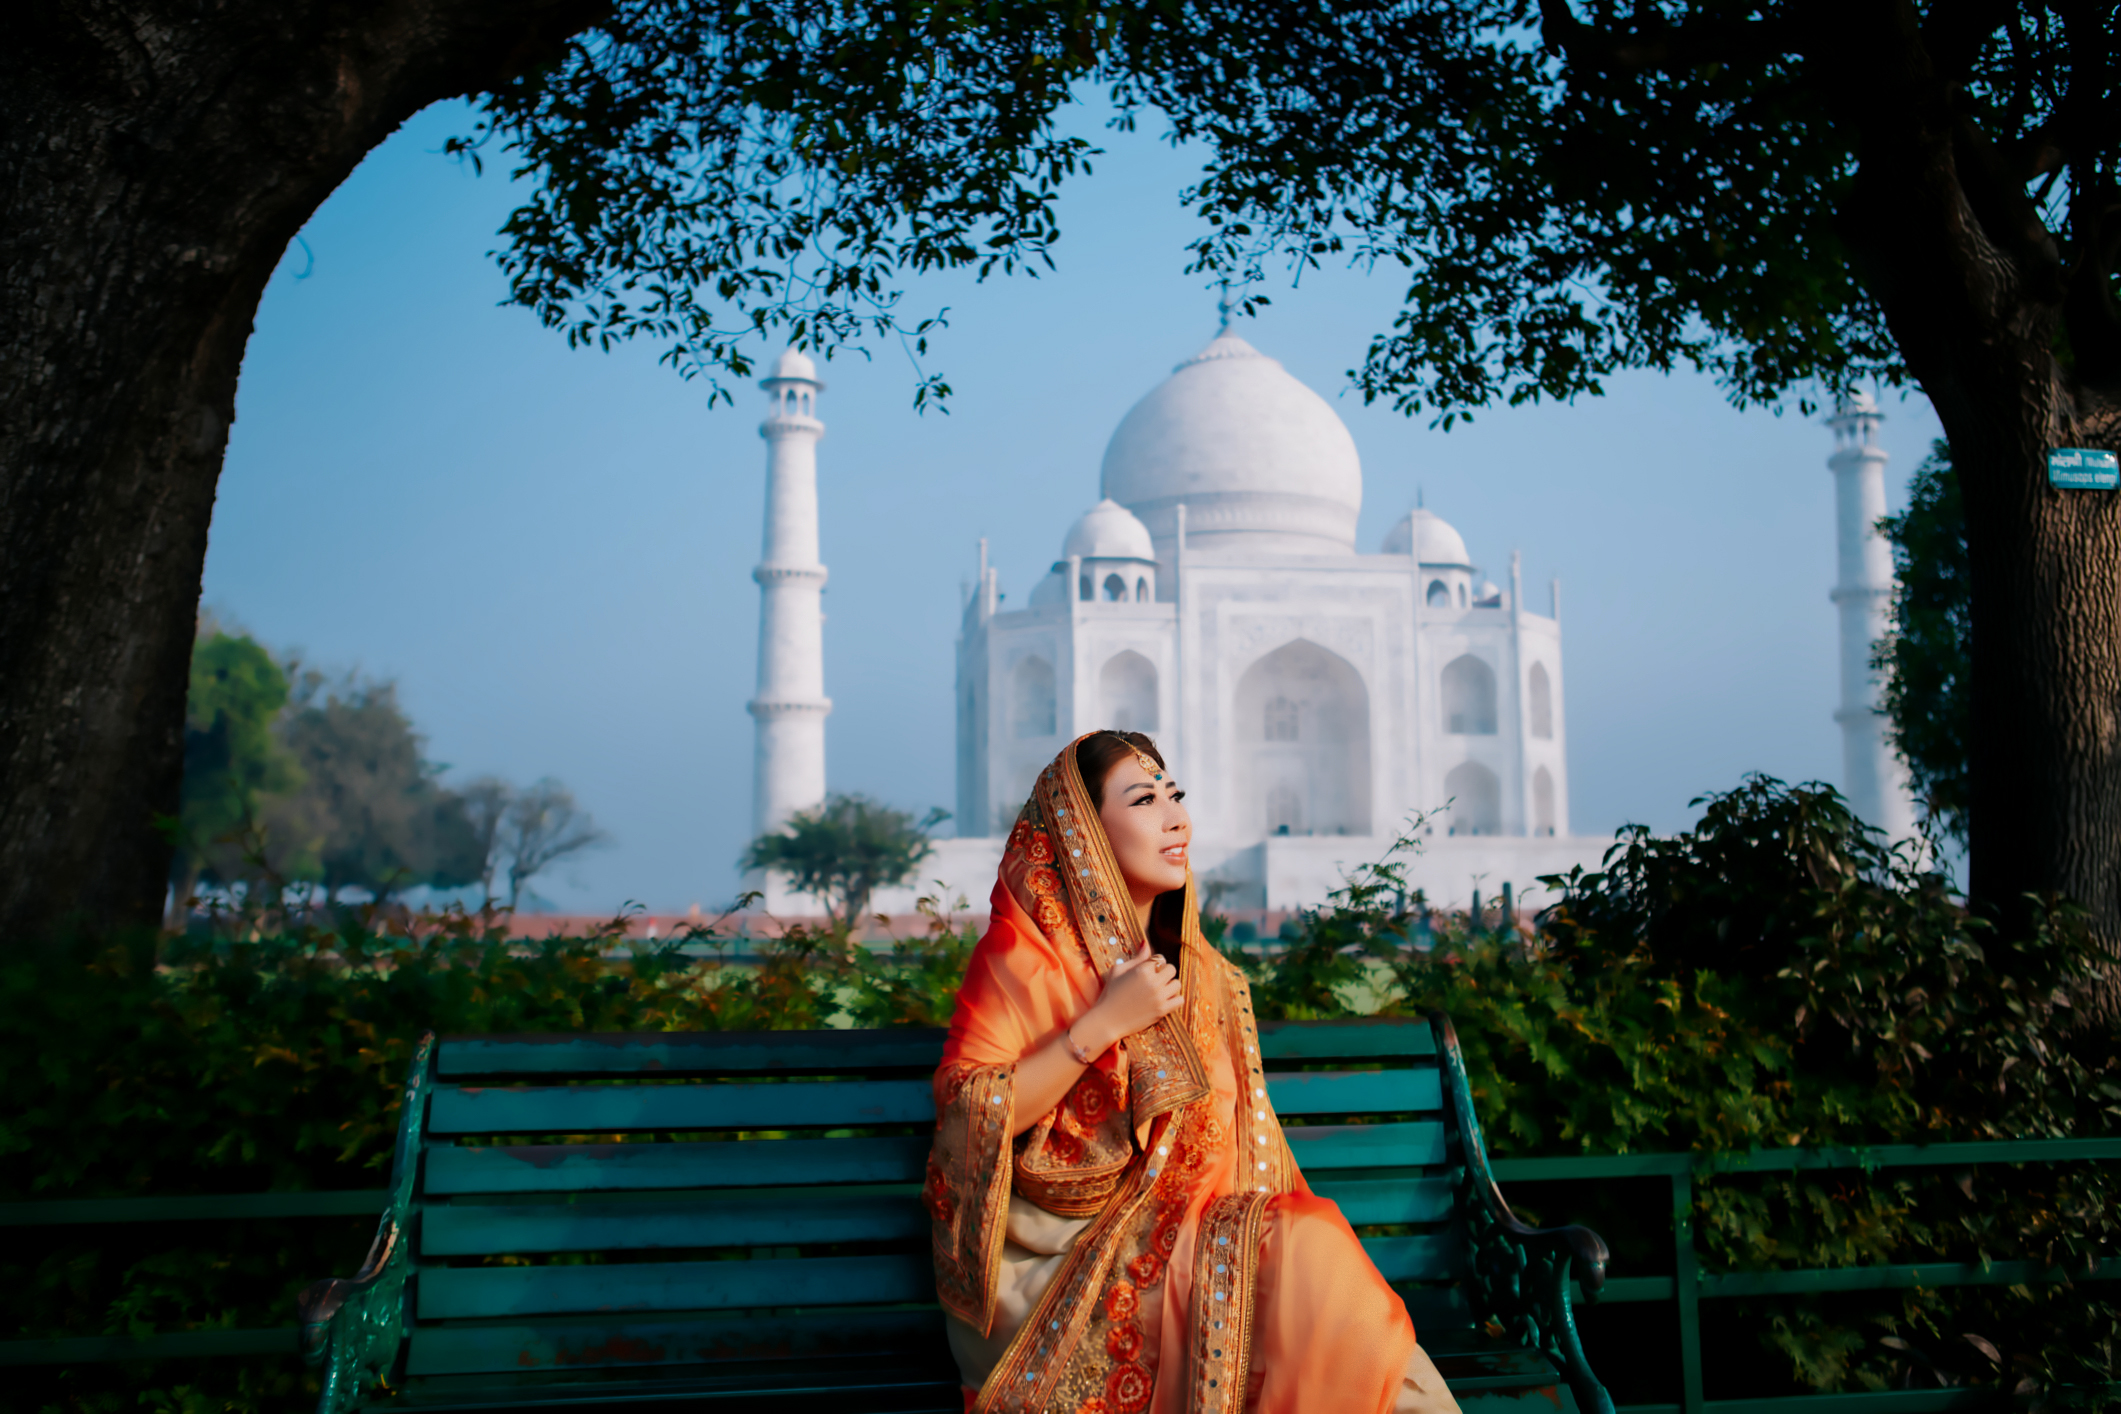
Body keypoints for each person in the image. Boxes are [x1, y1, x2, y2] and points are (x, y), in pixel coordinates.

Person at [926, 730, 1462, 1414]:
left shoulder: (1204, 973)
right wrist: (1102, 1024)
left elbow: (1237, 1155)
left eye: (1174, 795)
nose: (1177, 818)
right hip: (1051, 1271)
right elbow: (968, 1109)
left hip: (1189, 1238)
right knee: (1302, 1255)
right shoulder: (1023, 958)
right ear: (1082, 830)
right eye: (1144, 800)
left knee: (1304, 1257)